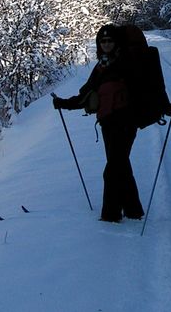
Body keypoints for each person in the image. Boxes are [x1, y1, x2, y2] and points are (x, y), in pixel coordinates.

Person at [53, 24, 145, 223]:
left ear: (117, 42)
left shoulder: (126, 64)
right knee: (121, 165)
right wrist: (64, 104)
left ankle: (110, 216)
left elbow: (143, 90)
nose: (106, 44)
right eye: (102, 41)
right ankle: (133, 210)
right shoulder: (100, 66)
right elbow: (86, 94)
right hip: (107, 124)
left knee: (112, 169)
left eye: (110, 40)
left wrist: (164, 107)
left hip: (126, 123)